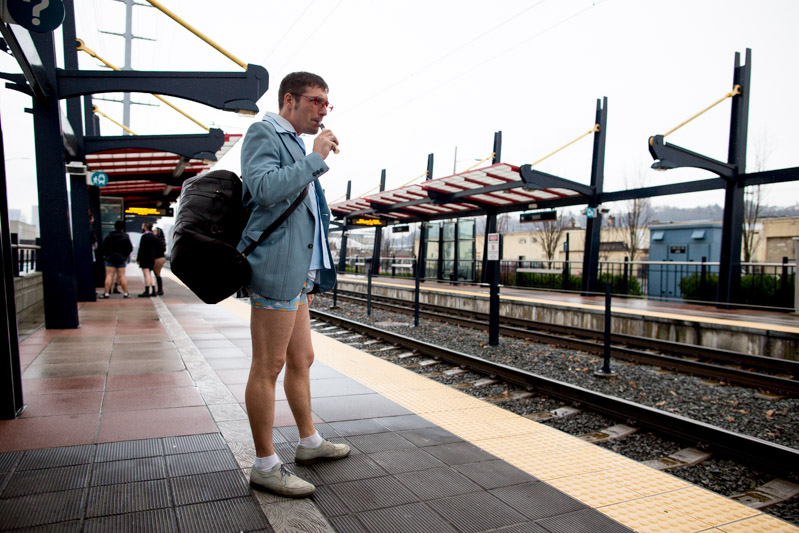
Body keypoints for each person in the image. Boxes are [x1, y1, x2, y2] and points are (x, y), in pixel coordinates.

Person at [238, 71, 346, 498]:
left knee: (302, 358)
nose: (323, 110)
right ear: (290, 100)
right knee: (268, 366)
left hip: (297, 271)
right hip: (275, 268)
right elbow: (263, 189)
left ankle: (309, 442)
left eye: (326, 103)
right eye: (317, 101)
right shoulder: (263, 132)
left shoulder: (295, 143)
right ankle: (265, 464)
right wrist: (315, 158)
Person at [100, 219, 132, 299]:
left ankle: (106, 293)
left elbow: (104, 247)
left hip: (110, 258)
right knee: (122, 276)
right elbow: (130, 248)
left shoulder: (109, 235)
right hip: (121, 258)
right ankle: (125, 293)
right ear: (123, 227)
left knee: (109, 275)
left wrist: (106, 255)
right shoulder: (125, 236)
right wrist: (124, 256)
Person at [137, 222, 160, 297]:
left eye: (143, 225)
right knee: (150, 274)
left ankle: (147, 291)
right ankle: (154, 290)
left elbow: (141, 248)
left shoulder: (144, 236)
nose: (142, 227)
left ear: (145, 227)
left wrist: (138, 258)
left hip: (144, 257)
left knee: (146, 274)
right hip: (151, 257)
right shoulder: (154, 237)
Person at [152, 227, 167, 295]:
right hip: (160, 258)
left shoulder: (158, 240)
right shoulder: (162, 240)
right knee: (157, 274)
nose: (153, 231)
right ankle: (159, 289)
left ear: (158, 232)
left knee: (157, 274)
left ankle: (160, 290)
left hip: (158, 258)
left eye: (155, 231)